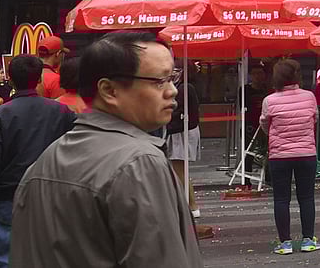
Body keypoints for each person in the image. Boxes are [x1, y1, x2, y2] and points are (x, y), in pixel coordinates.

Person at [11, 31, 203, 267]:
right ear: (109, 90)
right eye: (159, 81)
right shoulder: (140, 162)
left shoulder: (44, 162)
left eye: (173, 78)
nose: (172, 90)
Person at [0, 55, 74, 267]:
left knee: (7, 256)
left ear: (11, 80)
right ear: (40, 79)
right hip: (50, 191)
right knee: (46, 253)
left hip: (9, 194)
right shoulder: (61, 112)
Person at [259, 59, 320, 255]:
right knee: (307, 197)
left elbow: (265, 125)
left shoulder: (269, 100)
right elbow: (314, 119)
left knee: (281, 199)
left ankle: (285, 242)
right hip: (306, 153)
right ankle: (308, 239)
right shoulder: (309, 97)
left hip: (280, 154)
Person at [166, 66, 201, 219]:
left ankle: (191, 205)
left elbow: (189, 113)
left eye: (176, 69)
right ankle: (186, 204)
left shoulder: (186, 88)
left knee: (180, 168)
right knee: (178, 168)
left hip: (182, 132)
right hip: (178, 131)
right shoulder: (176, 87)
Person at [244, 64, 270, 175]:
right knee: (248, 152)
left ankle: (269, 176)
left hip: (266, 124)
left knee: (269, 150)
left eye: (260, 73)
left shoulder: (268, 90)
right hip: (251, 124)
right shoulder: (245, 90)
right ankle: (247, 179)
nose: (258, 76)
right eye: (255, 74)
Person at [36, 35, 66, 99]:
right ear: (58, 53)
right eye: (63, 53)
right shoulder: (56, 80)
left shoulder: (28, 75)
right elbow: (60, 107)